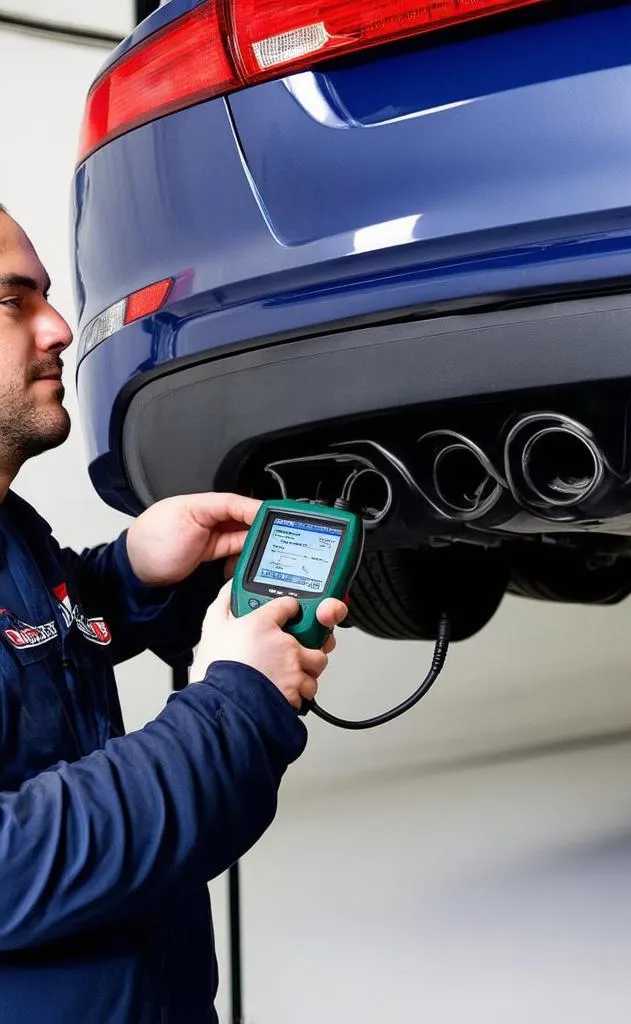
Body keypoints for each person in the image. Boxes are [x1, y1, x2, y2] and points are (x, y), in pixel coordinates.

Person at [0, 205, 348, 1022]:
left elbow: (23, 655)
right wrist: (238, 701)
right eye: (10, 300)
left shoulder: (11, 531)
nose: (58, 328)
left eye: (48, 295)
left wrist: (129, 576)